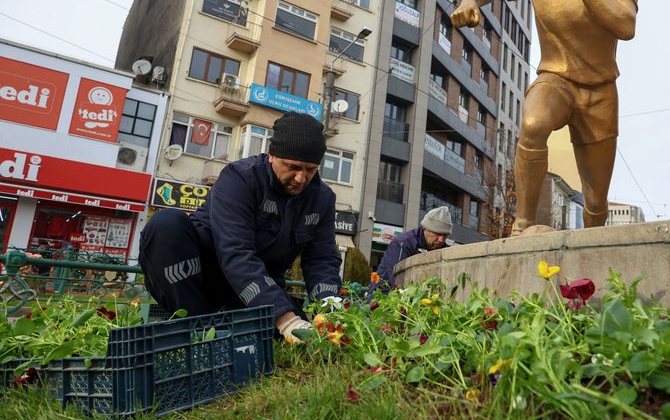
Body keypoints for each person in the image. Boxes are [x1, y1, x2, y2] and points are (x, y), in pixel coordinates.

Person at [451, 0, 637, 233]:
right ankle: (523, 223)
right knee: (534, 123)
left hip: (600, 92)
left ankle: (593, 246)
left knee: (596, 202)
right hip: (555, 79)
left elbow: (625, 24)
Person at [138, 112, 342, 342]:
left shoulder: (322, 199)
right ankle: (199, 330)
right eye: (293, 167)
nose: (301, 178)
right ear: (272, 156)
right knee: (165, 225)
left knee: (299, 334)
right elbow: (235, 251)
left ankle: (243, 325)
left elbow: (322, 259)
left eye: (310, 169)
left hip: (258, 290)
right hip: (202, 280)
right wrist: (285, 319)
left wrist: (331, 315)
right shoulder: (239, 179)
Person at [369, 206, 452, 293]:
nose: (441, 240)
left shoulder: (443, 248)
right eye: (437, 233)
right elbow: (397, 280)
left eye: (445, 235)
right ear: (425, 228)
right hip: (383, 295)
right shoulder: (403, 244)